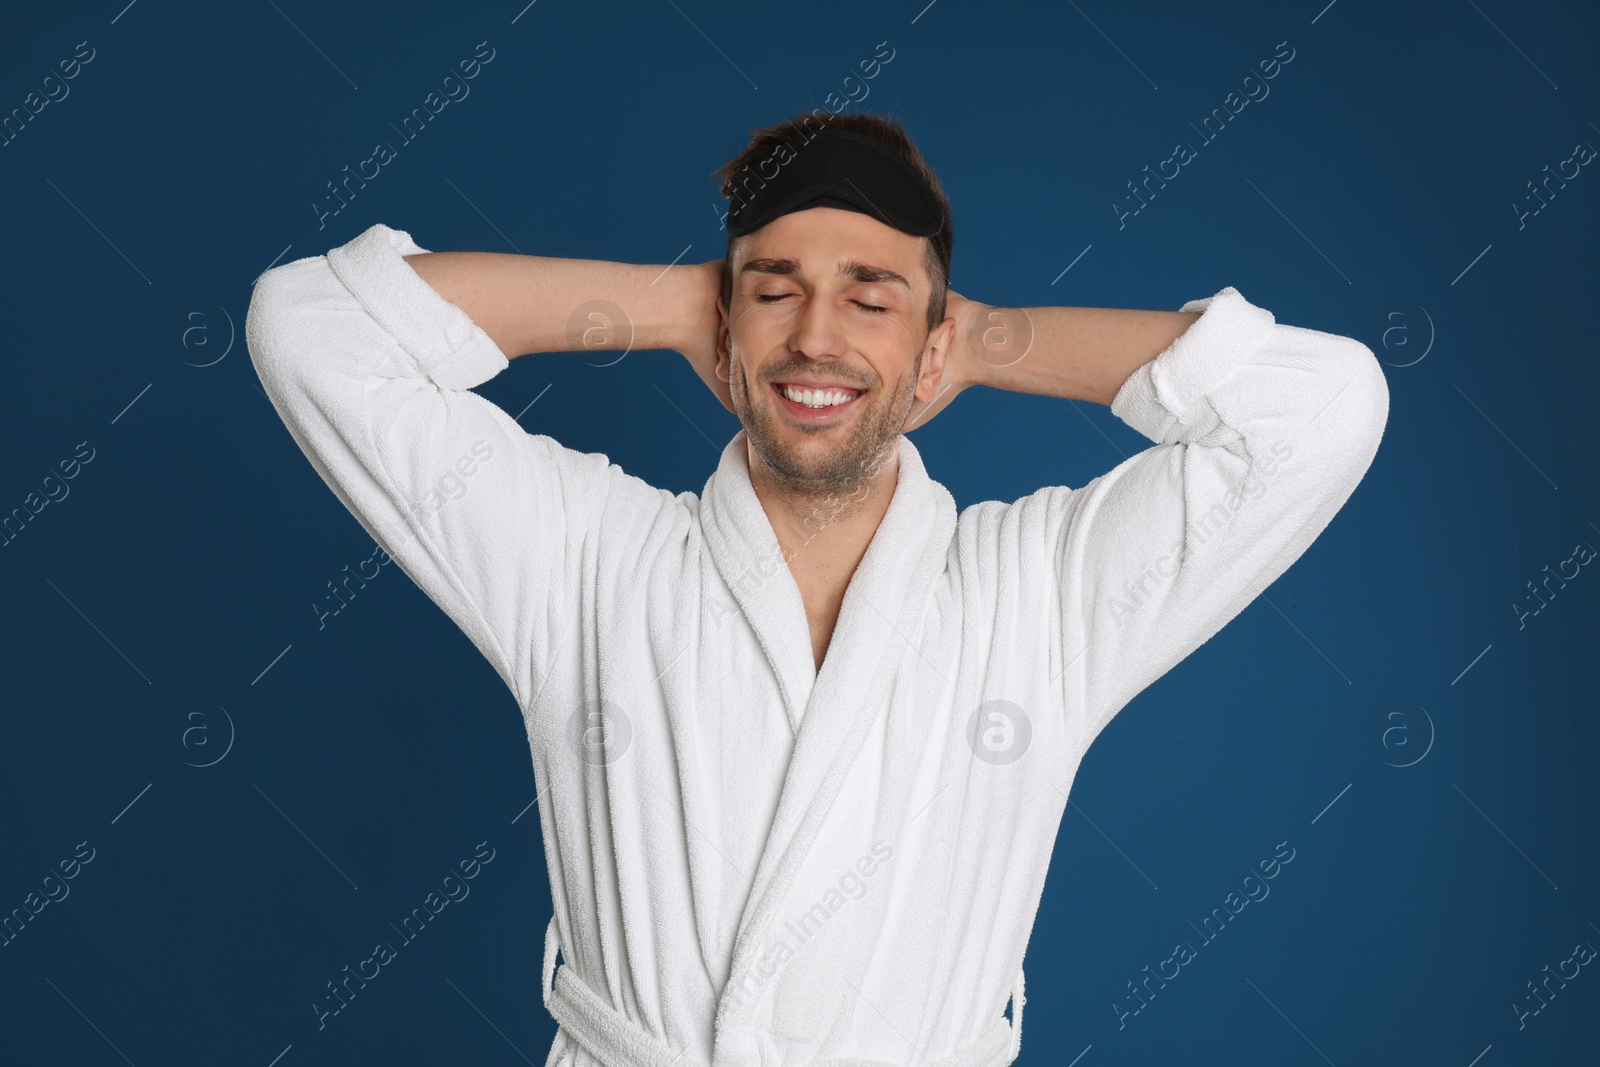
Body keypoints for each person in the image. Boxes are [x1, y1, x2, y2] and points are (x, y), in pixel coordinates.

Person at [245, 109, 1389, 1067]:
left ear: (933, 342)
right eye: (773, 292)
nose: (816, 338)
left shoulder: (1040, 595)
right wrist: (671, 305)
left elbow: (1323, 406)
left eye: (872, 298)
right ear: (724, 328)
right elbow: (310, 327)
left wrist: (984, 340)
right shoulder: (585, 558)